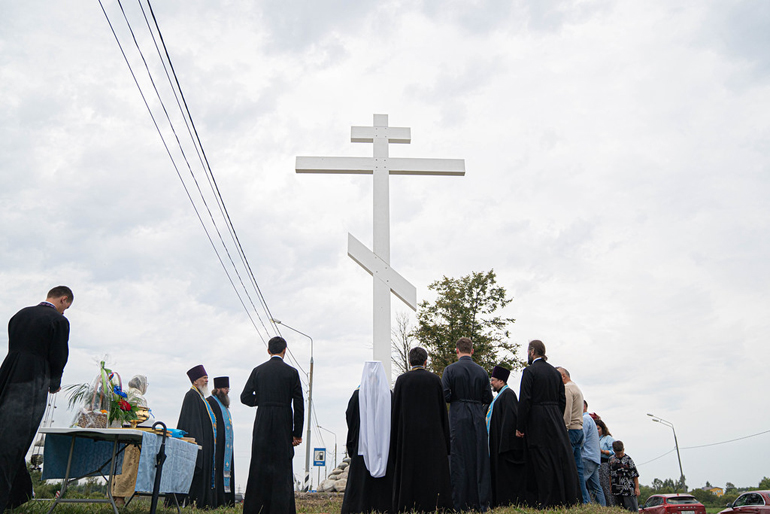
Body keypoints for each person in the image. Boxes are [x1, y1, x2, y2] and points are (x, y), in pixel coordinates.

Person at [0, 286, 73, 511]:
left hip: (8, 374)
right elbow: (59, 355)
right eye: (66, 307)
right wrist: (54, 382)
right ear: (63, 299)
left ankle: (18, 495)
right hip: (33, 379)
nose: (65, 312)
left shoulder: (19, 314)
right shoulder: (59, 321)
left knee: (4, 432)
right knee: (17, 438)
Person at [240, 336, 304, 514]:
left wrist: (262, 400)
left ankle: (256, 508)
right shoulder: (292, 373)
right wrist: (296, 433)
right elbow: (299, 405)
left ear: (268, 351)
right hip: (284, 421)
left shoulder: (258, 371)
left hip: (263, 420)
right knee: (282, 466)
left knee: (259, 463)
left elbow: (245, 397)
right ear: (285, 350)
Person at [515, 340, 581, 508]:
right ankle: (562, 497)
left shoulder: (529, 371)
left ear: (531, 352)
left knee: (540, 458)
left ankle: (544, 499)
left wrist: (520, 426)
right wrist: (556, 416)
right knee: (556, 458)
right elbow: (561, 399)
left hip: (537, 418)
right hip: (555, 419)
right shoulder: (554, 372)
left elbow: (525, 400)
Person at [391, 347, 453, 513]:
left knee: (410, 473)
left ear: (410, 361)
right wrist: (446, 439)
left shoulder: (402, 380)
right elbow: (442, 411)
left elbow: (396, 411)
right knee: (431, 472)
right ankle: (434, 504)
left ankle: (408, 505)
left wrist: (395, 439)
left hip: (408, 436)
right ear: (426, 361)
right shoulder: (434, 380)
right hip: (432, 436)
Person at [442, 337, 493, 512]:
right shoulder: (482, 372)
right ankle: (481, 501)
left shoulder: (450, 370)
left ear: (457, 350)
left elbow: (445, 396)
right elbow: (488, 398)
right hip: (477, 416)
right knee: (479, 458)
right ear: (472, 351)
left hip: (457, 416)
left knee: (458, 458)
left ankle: (459, 502)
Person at [341, 362, 393, 514]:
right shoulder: (388, 395)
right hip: (384, 447)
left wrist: (352, 444)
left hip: (362, 446)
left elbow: (350, 418)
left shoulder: (358, 395)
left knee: (360, 485)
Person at [173, 365, 217, 508]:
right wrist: (199, 443)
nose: (206, 381)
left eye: (207, 378)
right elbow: (192, 423)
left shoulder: (201, 397)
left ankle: (200, 503)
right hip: (197, 443)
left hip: (205, 442)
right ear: (195, 381)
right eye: (204, 378)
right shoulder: (192, 395)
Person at [487, 364, 526, 508]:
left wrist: (504, 444)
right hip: (496, 443)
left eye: (493, 380)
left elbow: (510, 420)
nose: (491, 383)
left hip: (503, 446)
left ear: (501, 381)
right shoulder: (500, 396)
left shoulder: (508, 394)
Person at [556, 367, 588, 504]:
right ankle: (584, 499)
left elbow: (566, 412)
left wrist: (563, 430)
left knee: (567, 466)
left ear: (563, 376)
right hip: (579, 429)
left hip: (571, 430)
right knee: (578, 468)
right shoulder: (576, 388)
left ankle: (571, 499)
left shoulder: (567, 389)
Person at [207, 376, 235, 507]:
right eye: (225, 388)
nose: (227, 391)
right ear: (217, 389)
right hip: (216, 446)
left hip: (226, 448)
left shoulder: (224, 406)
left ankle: (226, 501)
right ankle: (216, 501)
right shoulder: (210, 402)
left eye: (227, 388)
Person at [582, 400, 606, 505]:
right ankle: (603, 508)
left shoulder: (584, 419)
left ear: (582, 406)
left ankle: (587, 505)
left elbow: (581, 439)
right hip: (594, 458)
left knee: (580, 482)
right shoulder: (590, 419)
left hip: (586, 457)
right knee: (596, 487)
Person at [609, 440, 639, 512]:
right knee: (619, 510)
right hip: (616, 490)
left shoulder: (628, 459)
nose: (619, 455)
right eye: (617, 454)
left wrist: (637, 488)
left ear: (623, 449)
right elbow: (610, 474)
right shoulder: (611, 460)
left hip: (628, 490)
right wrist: (610, 487)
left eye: (621, 453)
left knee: (632, 510)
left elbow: (635, 475)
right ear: (614, 451)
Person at [596, 419, 616, 506]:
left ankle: (611, 505)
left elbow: (614, 451)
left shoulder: (608, 439)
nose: (597, 431)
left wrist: (603, 451)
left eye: (598, 429)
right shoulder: (593, 439)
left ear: (603, 429)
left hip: (605, 463)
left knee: (606, 486)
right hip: (596, 464)